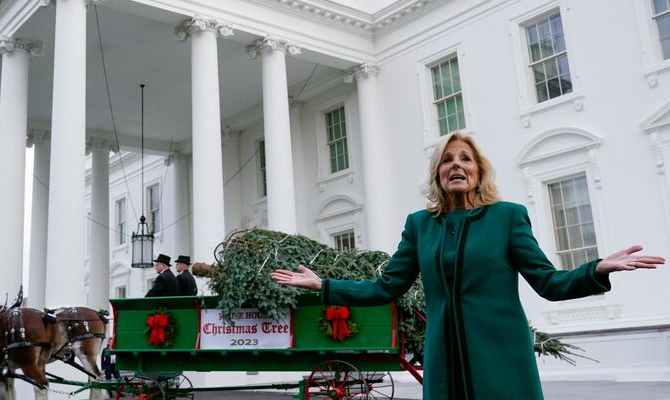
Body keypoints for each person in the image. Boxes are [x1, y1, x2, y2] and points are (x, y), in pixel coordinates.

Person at [271, 132, 665, 400]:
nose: (456, 165)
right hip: (444, 360)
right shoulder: (420, 225)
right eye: (447, 160)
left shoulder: (508, 217)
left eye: (465, 159)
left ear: (478, 172)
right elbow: (385, 287)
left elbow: (549, 282)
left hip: (501, 357)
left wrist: (597, 269)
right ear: (438, 175)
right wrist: (322, 284)